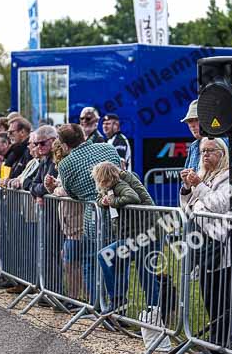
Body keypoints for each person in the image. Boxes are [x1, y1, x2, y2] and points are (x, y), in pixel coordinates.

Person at [180, 138, 232, 354]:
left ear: (223, 153)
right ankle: (216, 343)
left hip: (225, 245)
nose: (205, 155)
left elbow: (218, 205)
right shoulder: (205, 174)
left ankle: (225, 346)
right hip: (205, 244)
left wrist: (198, 185)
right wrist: (187, 188)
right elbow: (188, 208)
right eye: (202, 151)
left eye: (210, 150)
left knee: (223, 297)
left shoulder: (231, 176)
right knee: (209, 295)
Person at [45, 124, 120, 305]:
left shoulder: (66, 164)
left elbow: (72, 193)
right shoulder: (108, 148)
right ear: (83, 136)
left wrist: (58, 189)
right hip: (120, 213)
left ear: (64, 145)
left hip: (93, 219)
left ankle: (97, 304)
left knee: (90, 262)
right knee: (116, 262)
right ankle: (116, 306)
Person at [93, 162, 158, 314]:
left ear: (105, 177)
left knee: (145, 274)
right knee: (119, 264)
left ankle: (154, 313)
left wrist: (112, 202)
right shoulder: (112, 184)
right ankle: (119, 303)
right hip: (134, 234)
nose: (98, 183)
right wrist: (103, 202)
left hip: (146, 233)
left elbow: (132, 197)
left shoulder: (120, 183)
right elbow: (99, 198)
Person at [182, 99, 232, 191]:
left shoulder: (227, 143)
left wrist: (215, 190)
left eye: (196, 120)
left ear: (208, 120)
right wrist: (186, 184)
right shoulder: (193, 146)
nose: (192, 125)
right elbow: (186, 185)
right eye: (189, 121)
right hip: (198, 200)